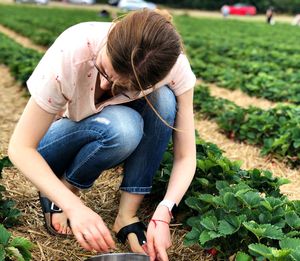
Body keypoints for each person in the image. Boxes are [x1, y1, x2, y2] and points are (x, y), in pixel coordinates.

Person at [8, 8, 196, 261]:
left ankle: (126, 216)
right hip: (53, 145)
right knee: (124, 127)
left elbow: (186, 156)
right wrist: (75, 208)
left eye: (123, 86)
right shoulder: (73, 50)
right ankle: (63, 190)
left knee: (163, 100)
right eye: (104, 71)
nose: (107, 86)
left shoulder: (175, 68)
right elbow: (20, 148)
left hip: (109, 133)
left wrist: (165, 210)